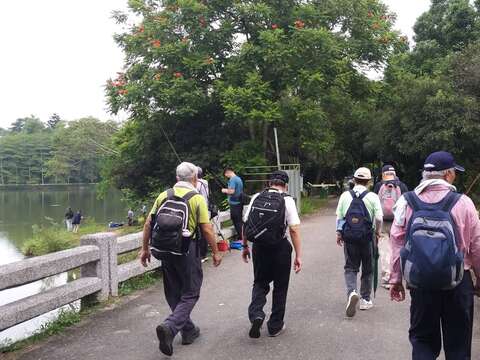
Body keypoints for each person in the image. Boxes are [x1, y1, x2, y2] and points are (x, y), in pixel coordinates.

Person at [390, 151, 480, 359]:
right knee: (458, 344)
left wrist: (396, 279)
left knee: (422, 341)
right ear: (448, 174)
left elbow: (396, 241)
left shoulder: (407, 201)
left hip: (421, 283)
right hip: (458, 282)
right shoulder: (463, 202)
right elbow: (476, 246)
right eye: (454, 173)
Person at [140, 162, 222, 356]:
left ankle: (188, 331)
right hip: (187, 249)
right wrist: (216, 251)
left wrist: (145, 249)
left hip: (164, 250)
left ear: (177, 178)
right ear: (194, 178)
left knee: (173, 292)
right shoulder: (196, 198)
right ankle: (170, 326)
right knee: (191, 292)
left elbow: (148, 225)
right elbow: (207, 228)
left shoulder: (163, 195)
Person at [242, 170, 302, 338]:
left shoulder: (256, 197)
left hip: (259, 247)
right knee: (280, 287)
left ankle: (256, 314)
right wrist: (298, 255)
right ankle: (275, 326)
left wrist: (245, 245)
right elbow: (294, 229)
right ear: (286, 185)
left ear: (270, 183)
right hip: (280, 248)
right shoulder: (287, 200)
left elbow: (246, 223)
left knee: (260, 282)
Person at [336, 167, 383, 317]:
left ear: (354, 180)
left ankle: (352, 292)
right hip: (367, 237)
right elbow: (380, 218)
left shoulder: (345, 195)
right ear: (369, 181)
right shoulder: (373, 196)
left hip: (349, 237)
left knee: (350, 267)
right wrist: (378, 232)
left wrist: (339, 233)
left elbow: (340, 217)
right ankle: (365, 299)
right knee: (368, 269)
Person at [373, 165, 408, 289]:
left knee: (384, 251)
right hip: (398, 223)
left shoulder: (378, 186)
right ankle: (398, 276)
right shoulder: (402, 186)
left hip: (382, 223)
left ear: (383, 174)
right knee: (397, 249)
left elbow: (374, 205)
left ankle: (387, 277)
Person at [222, 167, 244, 241]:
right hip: (240, 202)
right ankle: (242, 236)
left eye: (226, 174)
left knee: (236, 221)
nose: (226, 176)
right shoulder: (238, 178)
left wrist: (224, 190)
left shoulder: (233, 179)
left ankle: (241, 237)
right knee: (239, 220)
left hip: (235, 203)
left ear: (228, 172)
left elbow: (231, 191)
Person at [196, 167, 210, 261]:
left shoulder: (197, 184)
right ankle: (204, 254)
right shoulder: (205, 182)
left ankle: (200, 255)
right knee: (204, 232)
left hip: (199, 210)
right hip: (206, 209)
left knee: (199, 233)